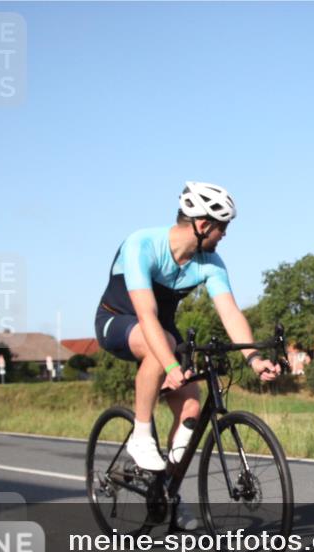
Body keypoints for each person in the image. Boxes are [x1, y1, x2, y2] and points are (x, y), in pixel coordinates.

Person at [94, 181, 281, 529]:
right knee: (161, 343)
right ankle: (141, 433)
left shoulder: (210, 263)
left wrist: (254, 359)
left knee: (192, 407)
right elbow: (146, 314)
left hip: (162, 332)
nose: (225, 235)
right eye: (223, 227)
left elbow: (230, 313)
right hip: (118, 321)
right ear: (203, 224)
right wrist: (168, 363)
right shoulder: (142, 245)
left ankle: (166, 491)